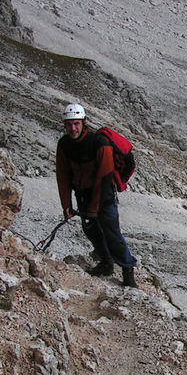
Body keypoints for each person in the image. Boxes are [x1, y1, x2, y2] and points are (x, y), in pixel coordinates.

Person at [55, 103, 138, 288]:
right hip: (83, 194)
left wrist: (94, 207)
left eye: (76, 124)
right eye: (69, 124)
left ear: (83, 123)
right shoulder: (64, 145)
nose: (73, 128)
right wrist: (66, 204)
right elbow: (63, 175)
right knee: (91, 231)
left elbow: (105, 177)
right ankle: (106, 262)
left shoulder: (99, 144)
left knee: (112, 233)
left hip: (104, 196)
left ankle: (127, 269)